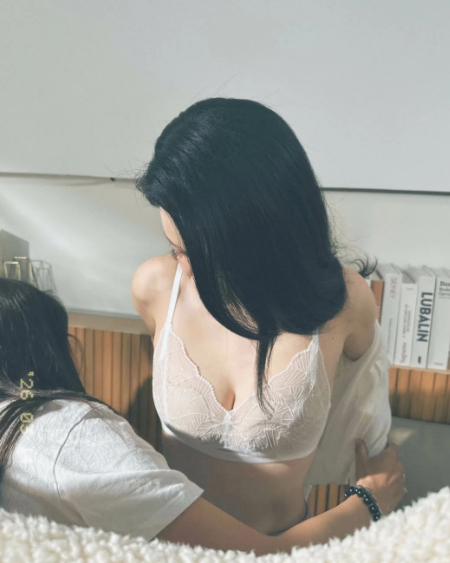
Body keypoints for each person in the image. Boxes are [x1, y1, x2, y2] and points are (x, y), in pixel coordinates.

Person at [132, 97, 406, 538]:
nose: (188, 267)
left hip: (292, 549)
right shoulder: (156, 287)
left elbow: (367, 427)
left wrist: (370, 493)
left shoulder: (343, 300)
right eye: (177, 249)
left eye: (201, 253)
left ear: (256, 230)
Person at [0, 279, 404, 555]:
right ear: (59, 351)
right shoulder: (72, 436)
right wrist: (371, 499)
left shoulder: (27, 429)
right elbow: (261, 556)